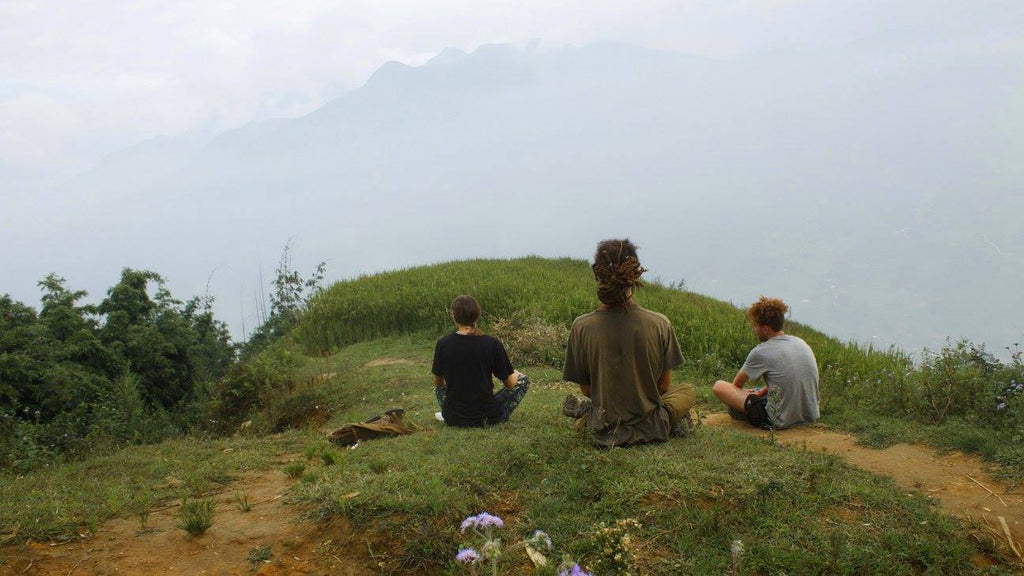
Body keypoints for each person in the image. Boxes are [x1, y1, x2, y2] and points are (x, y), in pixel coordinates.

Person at [562, 238, 696, 447]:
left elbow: (587, 391)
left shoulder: (581, 327)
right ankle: (674, 421)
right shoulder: (660, 323)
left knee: (586, 420)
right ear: (635, 274)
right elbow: (664, 386)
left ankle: (587, 416)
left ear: (597, 274)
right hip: (652, 427)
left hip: (603, 428)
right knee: (687, 391)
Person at [712, 297, 820, 429]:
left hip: (777, 419)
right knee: (757, 390)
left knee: (719, 386)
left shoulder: (761, 351)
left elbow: (737, 385)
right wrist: (761, 393)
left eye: (755, 326)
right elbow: (785, 379)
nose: (754, 329)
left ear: (765, 329)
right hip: (809, 414)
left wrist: (746, 394)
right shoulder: (800, 343)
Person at [431, 294, 530, 427]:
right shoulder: (492, 343)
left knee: (439, 389)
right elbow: (510, 384)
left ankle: (447, 412)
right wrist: (515, 373)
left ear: (453, 315)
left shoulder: (443, 343)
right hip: (487, 416)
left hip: (453, 417)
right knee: (524, 380)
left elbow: (438, 383)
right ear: (477, 315)